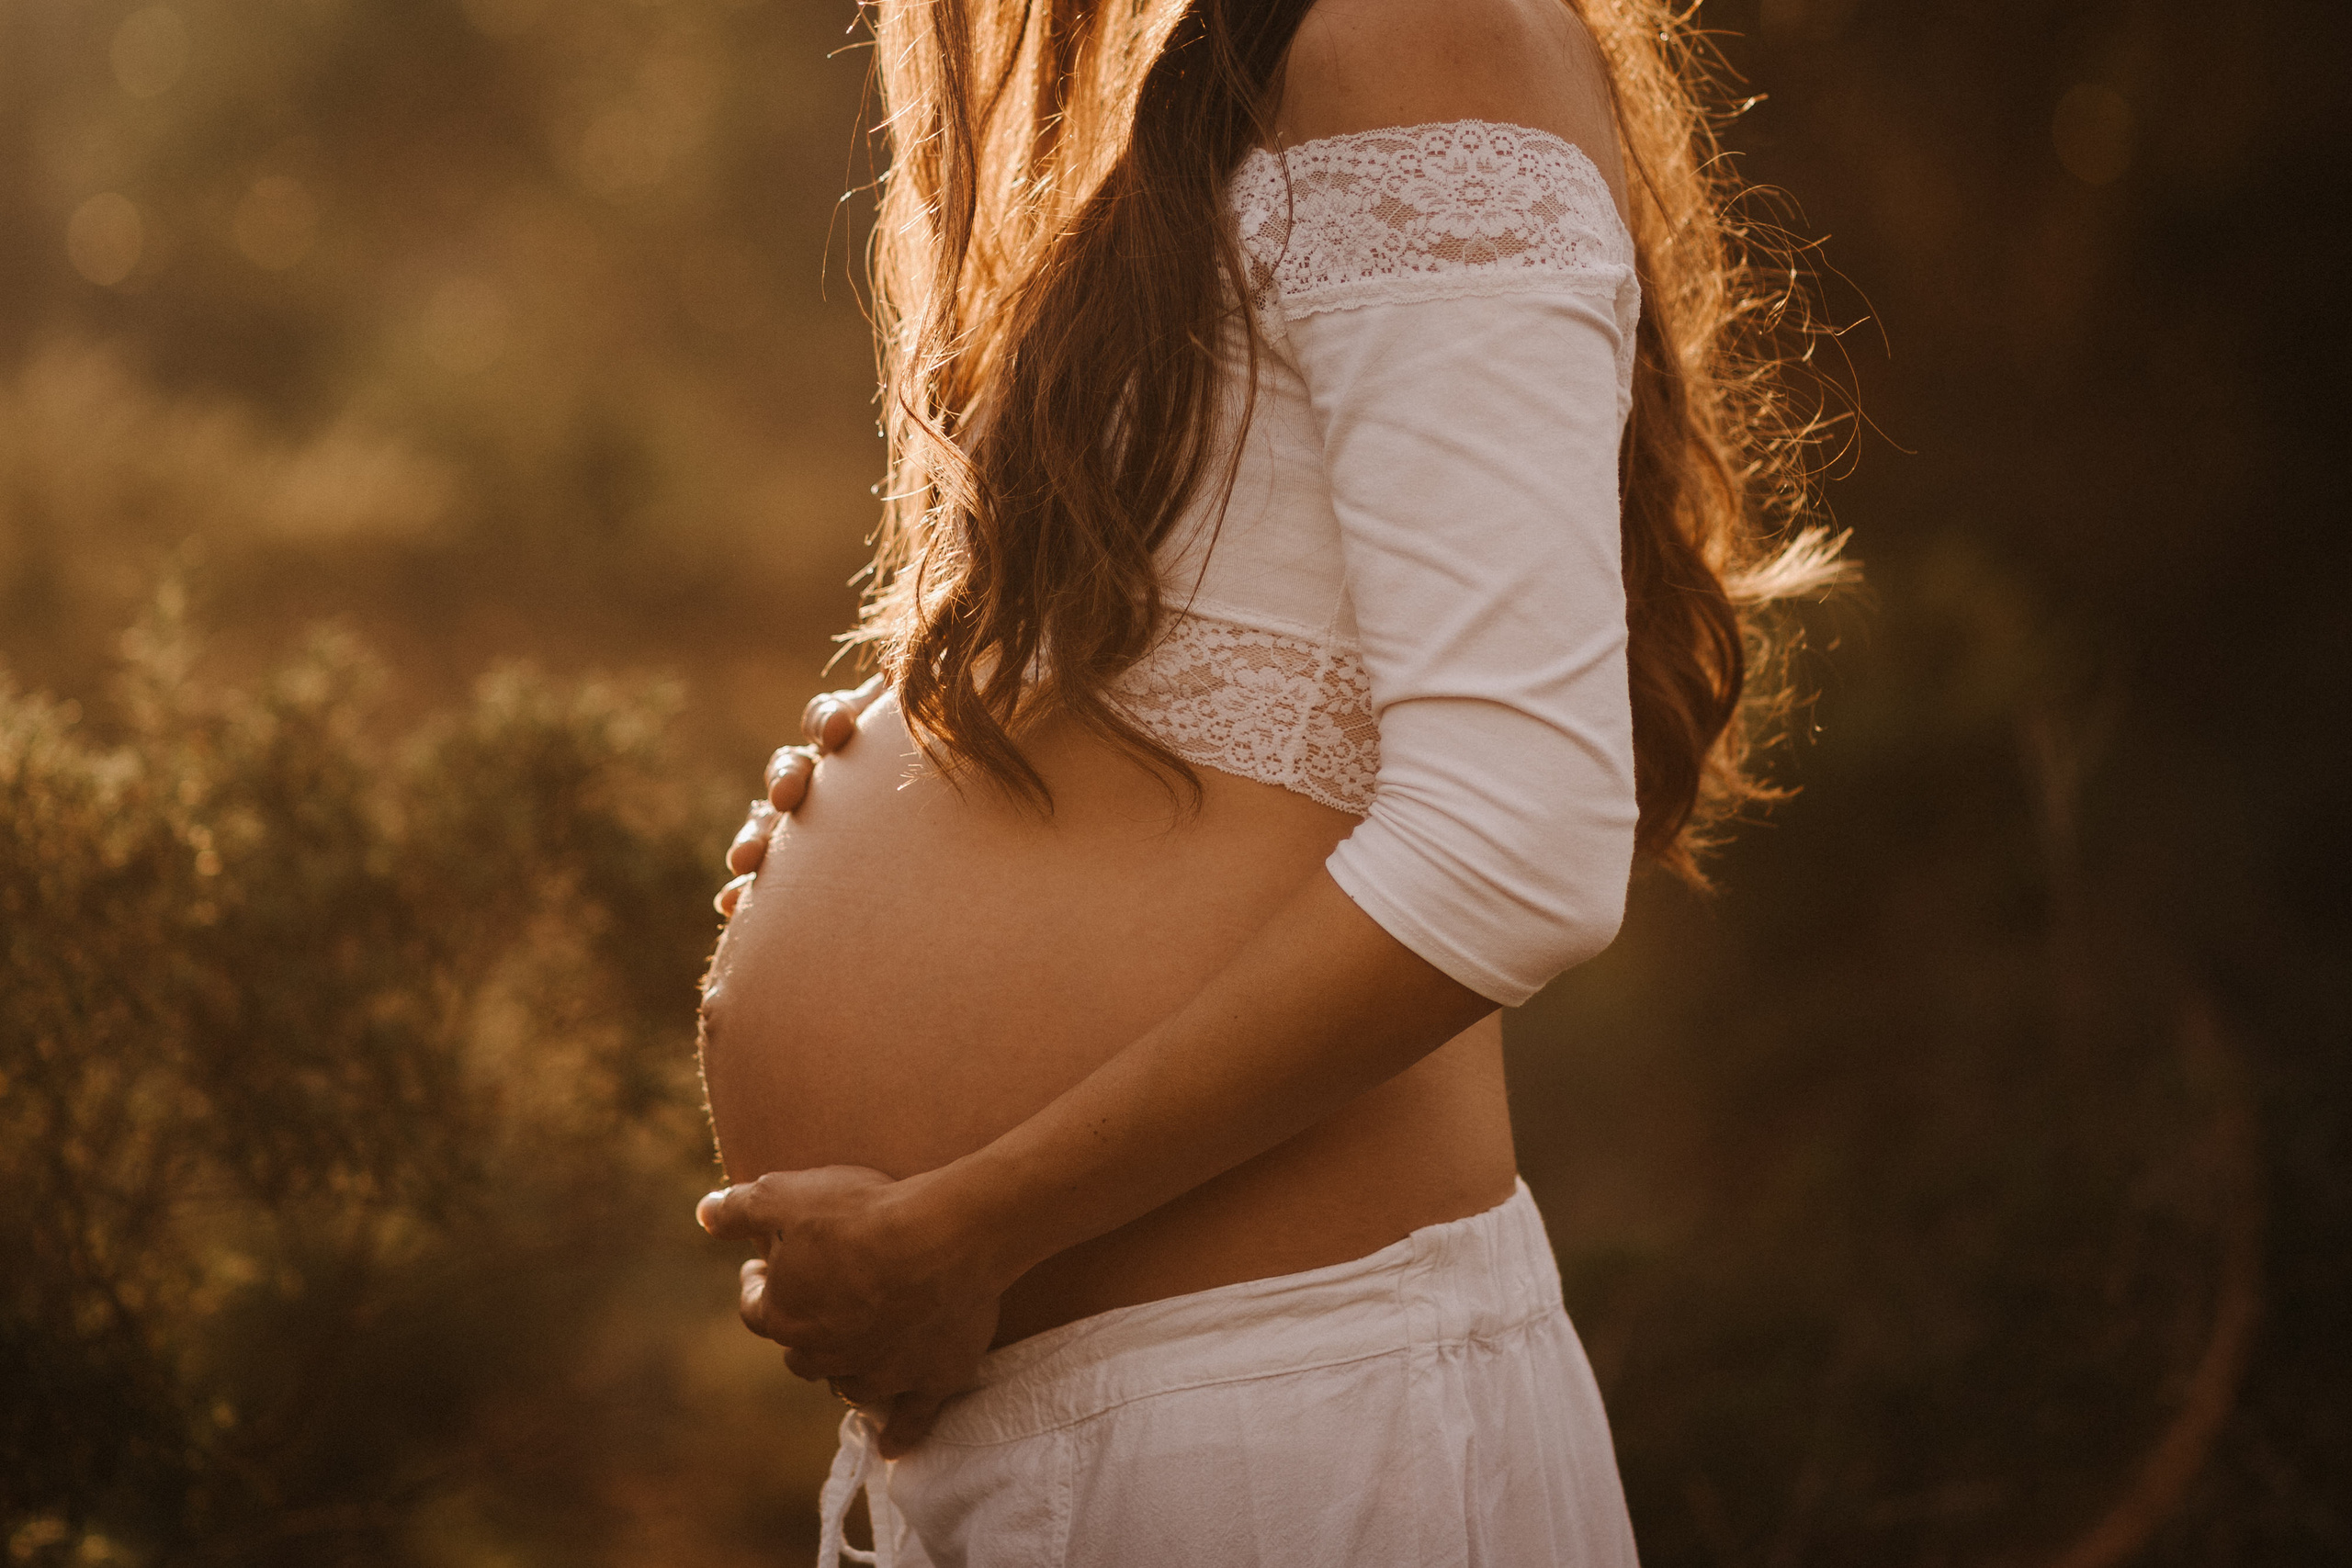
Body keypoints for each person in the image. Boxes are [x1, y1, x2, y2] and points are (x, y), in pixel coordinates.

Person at [694, 0, 1844, 1561]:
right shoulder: (1202, 89)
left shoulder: (1412, 33)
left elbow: (1523, 838)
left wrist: (974, 1228)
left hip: (1285, 1417)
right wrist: (928, 749)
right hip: (1116, 1423)